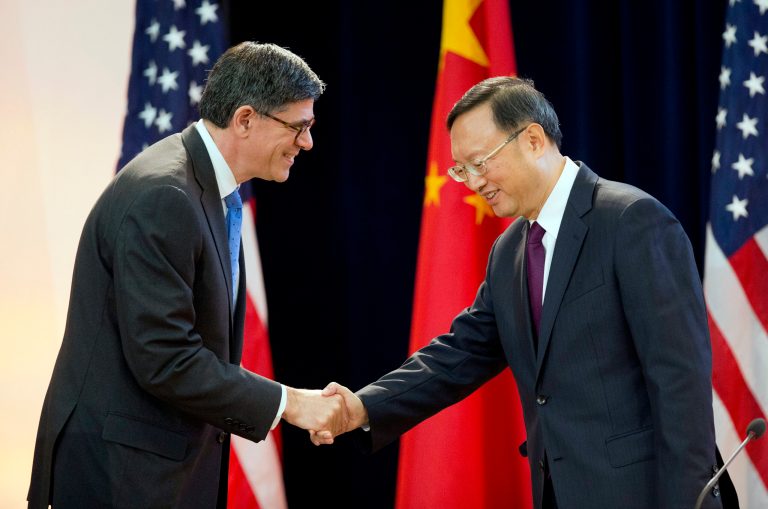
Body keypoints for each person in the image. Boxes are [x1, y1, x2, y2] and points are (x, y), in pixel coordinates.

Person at [318, 77, 728, 509]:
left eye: (480, 163)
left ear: (533, 139)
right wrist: (360, 408)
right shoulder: (510, 250)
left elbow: (680, 383)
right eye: (461, 170)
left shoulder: (631, 220)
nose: (473, 183)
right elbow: (458, 354)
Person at [28, 42, 348, 509]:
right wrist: (292, 403)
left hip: (157, 470)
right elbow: (166, 358)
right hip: (120, 477)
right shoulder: (166, 195)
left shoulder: (205, 188)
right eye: (299, 127)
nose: (307, 143)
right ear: (244, 119)